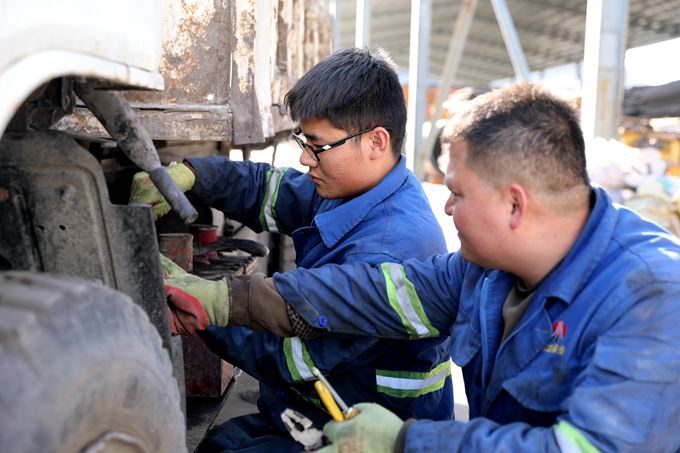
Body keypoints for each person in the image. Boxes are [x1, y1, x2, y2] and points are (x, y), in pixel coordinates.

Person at [167, 82, 680, 452]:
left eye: (457, 194)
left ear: (514, 204)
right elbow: (370, 293)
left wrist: (407, 441)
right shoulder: (486, 272)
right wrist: (224, 300)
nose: (447, 208)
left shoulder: (652, 299)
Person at [132, 48, 455, 452]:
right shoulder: (359, 190)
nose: (305, 158)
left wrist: (204, 307)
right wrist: (194, 176)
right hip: (308, 410)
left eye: (317, 146)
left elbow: (291, 357)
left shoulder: (390, 250)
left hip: (356, 434)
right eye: (303, 140)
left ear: (376, 141)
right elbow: (270, 191)